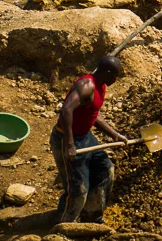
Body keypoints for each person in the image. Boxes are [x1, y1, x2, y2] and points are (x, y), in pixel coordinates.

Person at [51, 55, 127, 223]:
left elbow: (93, 114)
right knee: (77, 190)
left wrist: (114, 134)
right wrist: (70, 144)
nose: (116, 79)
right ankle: (62, 228)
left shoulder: (102, 85)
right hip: (66, 138)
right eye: (115, 75)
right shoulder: (87, 85)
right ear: (106, 72)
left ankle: (92, 215)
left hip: (85, 136)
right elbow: (66, 111)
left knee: (106, 169)